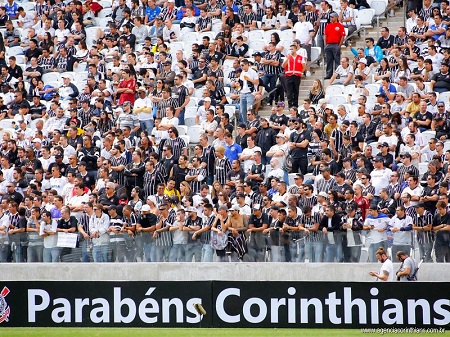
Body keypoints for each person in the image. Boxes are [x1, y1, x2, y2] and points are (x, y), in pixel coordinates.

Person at [282, 43, 306, 109]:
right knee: (289, 91)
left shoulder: (300, 57)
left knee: (296, 91)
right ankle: (290, 105)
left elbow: (304, 66)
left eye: (292, 49)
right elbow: (283, 66)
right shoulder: (287, 57)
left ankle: (295, 105)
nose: (291, 50)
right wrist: (287, 58)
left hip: (297, 76)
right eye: (290, 49)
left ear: (295, 49)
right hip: (288, 76)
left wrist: (300, 73)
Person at [324, 12, 345, 79]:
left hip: (336, 44)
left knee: (337, 60)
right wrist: (325, 44)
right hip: (329, 44)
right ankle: (329, 74)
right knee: (329, 60)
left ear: (336, 17)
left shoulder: (340, 26)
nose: (331, 18)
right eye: (330, 17)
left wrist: (339, 45)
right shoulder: (328, 25)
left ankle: (337, 74)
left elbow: (342, 36)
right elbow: (325, 35)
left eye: (332, 17)